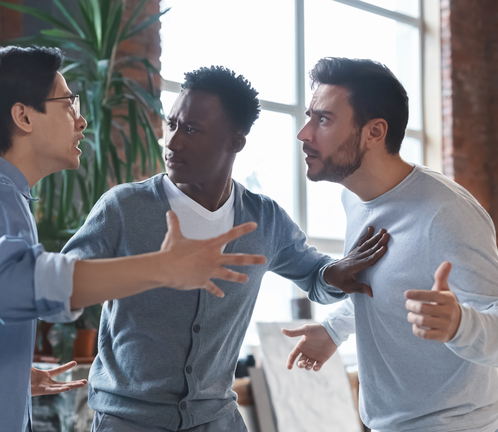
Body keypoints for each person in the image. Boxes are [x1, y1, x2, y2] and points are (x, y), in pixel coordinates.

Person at [0, 46, 268, 432]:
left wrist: (5, 375)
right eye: (68, 103)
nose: (81, 121)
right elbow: (10, 284)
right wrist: (160, 267)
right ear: (23, 116)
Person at [61, 65, 390, 432]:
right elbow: (60, 290)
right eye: (171, 124)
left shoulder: (263, 218)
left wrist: (337, 272)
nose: (172, 141)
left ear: (235, 141)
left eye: (191, 129)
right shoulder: (123, 209)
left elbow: (315, 276)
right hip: (128, 421)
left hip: (216, 419)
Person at [283, 57, 498, 432]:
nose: (304, 134)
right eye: (309, 117)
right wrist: (335, 329)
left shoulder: (446, 211)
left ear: (374, 132)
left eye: (323, 120)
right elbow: (391, 285)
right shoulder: (355, 199)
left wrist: (460, 324)